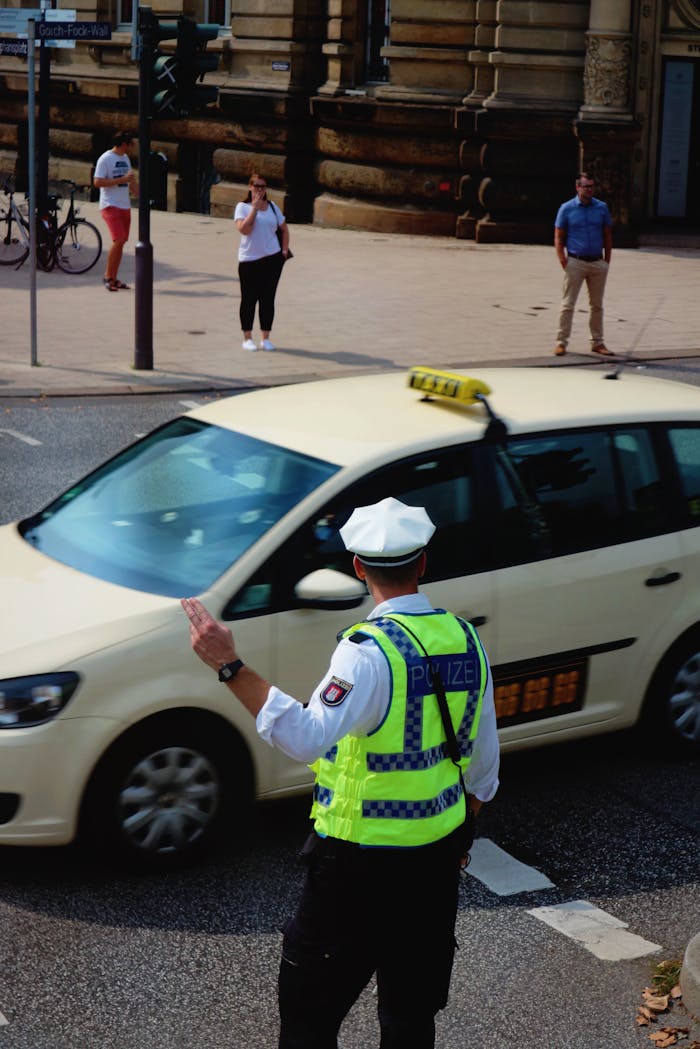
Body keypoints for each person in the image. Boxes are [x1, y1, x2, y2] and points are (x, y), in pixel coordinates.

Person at [182, 496, 499, 1049]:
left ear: (357, 568)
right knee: (409, 1018)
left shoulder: (367, 652)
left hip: (356, 870)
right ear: (424, 562)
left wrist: (227, 665)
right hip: (434, 866)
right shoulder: (466, 639)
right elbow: (483, 762)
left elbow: (305, 737)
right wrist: (459, 830)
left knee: (308, 1020)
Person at [553, 172, 614, 357]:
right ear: (577, 187)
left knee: (597, 305)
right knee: (568, 304)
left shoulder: (601, 208)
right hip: (575, 261)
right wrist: (562, 258)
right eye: (585, 186)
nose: (589, 190)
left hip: (597, 262)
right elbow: (558, 235)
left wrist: (607, 260)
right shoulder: (566, 208)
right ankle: (561, 342)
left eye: (591, 186)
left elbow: (607, 235)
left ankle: (597, 342)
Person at [234, 173, 290, 352]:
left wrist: (284, 251)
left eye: (263, 186)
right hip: (249, 260)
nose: (259, 189)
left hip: (272, 260)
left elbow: (284, 229)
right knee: (249, 299)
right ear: (250, 187)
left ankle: (265, 338)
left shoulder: (273, 206)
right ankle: (247, 337)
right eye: (256, 186)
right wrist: (254, 209)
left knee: (268, 299)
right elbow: (244, 230)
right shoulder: (242, 207)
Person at [93, 131, 137, 293]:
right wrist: (121, 180)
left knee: (122, 242)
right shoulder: (105, 158)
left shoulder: (125, 159)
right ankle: (107, 277)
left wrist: (140, 193)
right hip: (110, 205)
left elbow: (131, 182)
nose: (133, 147)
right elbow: (97, 182)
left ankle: (114, 277)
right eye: (132, 143)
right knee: (118, 239)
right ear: (125, 144)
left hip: (125, 205)